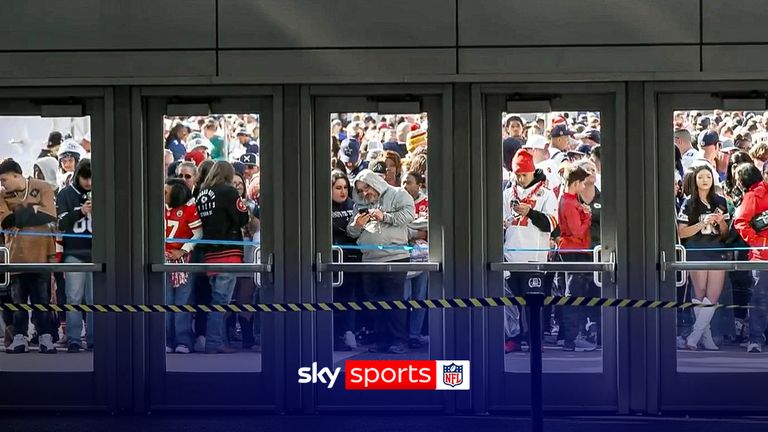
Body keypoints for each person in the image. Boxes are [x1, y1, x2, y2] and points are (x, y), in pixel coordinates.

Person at [347, 169, 415, 354]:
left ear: (374, 183)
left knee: (393, 301)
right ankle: (381, 341)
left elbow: (409, 215)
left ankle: (399, 341)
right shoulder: (359, 204)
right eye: (360, 190)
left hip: (395, 258)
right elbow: (352, 233)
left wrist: (384, 216)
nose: (364, 193)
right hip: (369, 259)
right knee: (373, 303)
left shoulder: (398, 194)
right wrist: (356, 226)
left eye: (366, 188)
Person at [502, 150, 558, 353]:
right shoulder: (508, 194)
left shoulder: (547, 194)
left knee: (534, 303)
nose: (520, 178)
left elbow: (551, 224)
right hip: (510, 257)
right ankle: (513, 338)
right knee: (511, 302)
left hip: (534, 258)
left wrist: (531, 213)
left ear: (532, 172)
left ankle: (535, 340)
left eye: (524, 174)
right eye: (517, 174)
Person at [0, 159, 58, 354]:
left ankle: (45, 336)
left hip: (41, 255)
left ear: (16, 175)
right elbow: (6, 220)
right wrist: (32, 209)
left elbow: (49, 214)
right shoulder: (1, 195)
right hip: (15, 257)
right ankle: (20, 337)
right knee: (18, 302)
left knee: (42, 299)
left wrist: (19, 211)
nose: (3, 184)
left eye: (4, 179)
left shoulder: (43, 187)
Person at [196, 161, 250, 354]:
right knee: (221, 300)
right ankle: (214, 342)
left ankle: (214, 340)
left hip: (209, 252)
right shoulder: (228, 192)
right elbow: (242, 217)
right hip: (228, 250)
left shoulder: (202, 193)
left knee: (216, 297)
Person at [677, 165, 729, 350]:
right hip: (696, 249)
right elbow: (681, 233)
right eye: (701, 177)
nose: (705, 180)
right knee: (699, 294)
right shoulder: (688, 203)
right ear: (695, 180)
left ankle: (694, 336)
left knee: (713, 295)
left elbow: (725, 235)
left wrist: (722, 222)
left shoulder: (721, 201)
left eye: (708, 176)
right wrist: (702, 223)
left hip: (716, 250)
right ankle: (703, 337)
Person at [558, 164, 597, 352]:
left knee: (573, 293)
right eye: (582, 183)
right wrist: (587, 217)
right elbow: (577, 231)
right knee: (573, 294)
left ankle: (572, 337)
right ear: (576, 183)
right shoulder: (570, 203)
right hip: (575, 250)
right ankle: (571, 339)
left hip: (572, 250)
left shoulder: (568, 200)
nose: (584, 186)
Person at [57, 159, 94, 353]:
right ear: (77, 175)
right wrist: (80, 211)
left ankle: (94, 338)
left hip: (97, 254)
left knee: (95, 299)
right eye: (85, 177)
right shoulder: (65, 194)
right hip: (74, 253)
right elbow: (61, 222)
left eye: (91, 178)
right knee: (74, 298)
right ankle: (73, 338)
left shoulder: (101, 193)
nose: (88, 182)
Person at [164, 178, 203, 353]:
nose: (163, 194)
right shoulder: (159, 208)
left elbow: (198, 233)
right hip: (163, 261)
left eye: (166, 192)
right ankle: (166, 339)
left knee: (183, 302)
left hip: (183, 263)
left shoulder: (189, 209)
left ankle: (183, 341)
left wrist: (183, 250)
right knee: (165, 302)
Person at [733, 163, 768, 353]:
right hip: (762, 256)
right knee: (760, 299)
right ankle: (755, 339)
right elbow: (740, 222)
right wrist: (757, 242)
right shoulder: (754, 195)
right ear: (763, 174)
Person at [331, 170, 360, 351]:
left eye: (345, 188)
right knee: (335, 301)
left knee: (350, 300)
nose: (343, 192)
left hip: (353, 260)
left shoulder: (354, 205)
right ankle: (335, 336)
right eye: (338, 188)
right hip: (332, 262)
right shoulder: (323, 206)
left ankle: (347, 333)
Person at [402, 171, 429, 348]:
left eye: (408, 182)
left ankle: (414, 335)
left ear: (418, 185)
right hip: (403, 255)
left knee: (419, 296)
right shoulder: (399, 201)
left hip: (424, 257)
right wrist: (414, 232)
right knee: (404, 296)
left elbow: (429, 229)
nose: (404, 185)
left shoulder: (427, 202)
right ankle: (401, 333)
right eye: (403, 182)